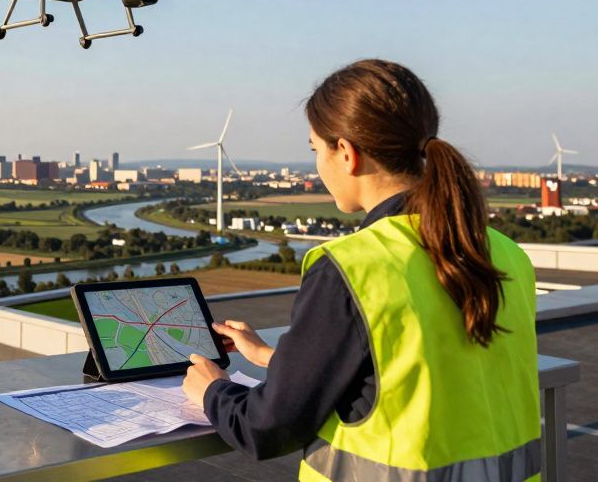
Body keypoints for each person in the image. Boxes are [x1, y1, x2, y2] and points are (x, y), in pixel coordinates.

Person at [182, 59, 541, 481]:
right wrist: (275, 358)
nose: (317, 167)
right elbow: (419, 375)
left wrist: (213, 390)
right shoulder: (502, 252)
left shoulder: (353, 267)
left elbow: (266, 428)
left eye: (316, 150)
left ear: (347, 154)